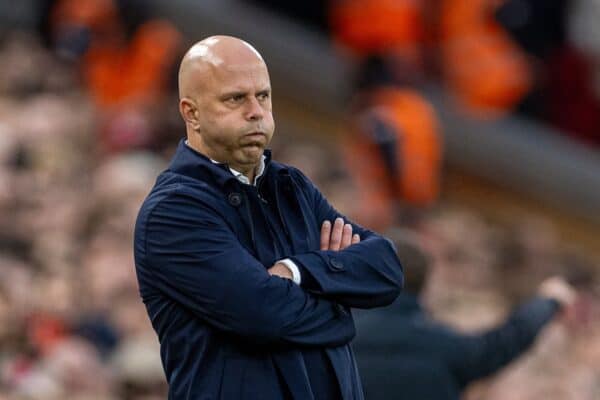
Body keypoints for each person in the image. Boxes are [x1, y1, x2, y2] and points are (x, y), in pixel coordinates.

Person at [133, 35, 404, 399]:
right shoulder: (173, 211)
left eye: (262, 96)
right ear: (191, 112)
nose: (256, 111)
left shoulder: (290, 187)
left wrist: (298, 271)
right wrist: (342, 303)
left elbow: (386, 268)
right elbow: (263, 314)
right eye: (235, 98)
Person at [352, 229, 577, 400]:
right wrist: (549, 301)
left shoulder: (333, 335)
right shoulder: (445, 349)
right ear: (425, 286)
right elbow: (507, 340)